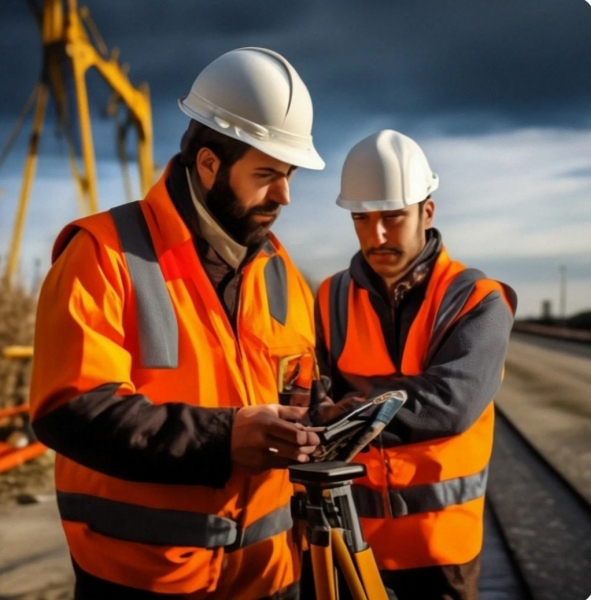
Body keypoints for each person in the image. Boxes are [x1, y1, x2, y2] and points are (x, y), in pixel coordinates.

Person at [29, 47, 326, 600]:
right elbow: (70, 411)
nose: (284, 195)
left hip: (268, 575)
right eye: (266, 175)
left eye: (286, 176)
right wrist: (224, 439)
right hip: (143, 579)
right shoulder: (102, 254)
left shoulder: (280, 273)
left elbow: (299, 387)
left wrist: (320, 421)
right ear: (210, 164)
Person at [315, 129, 517, 600]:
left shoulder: (477, 300)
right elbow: (312, 393)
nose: (377, 235)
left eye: (393, 217)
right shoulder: (330, 298)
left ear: (427, 211)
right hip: (349, 540)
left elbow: (450, 401)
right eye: (362, 219)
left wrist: (342, 413)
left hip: (440, 549)